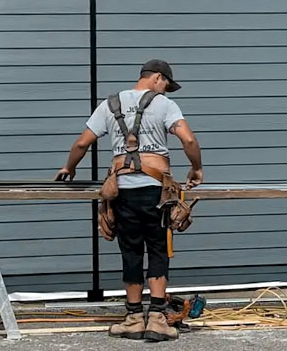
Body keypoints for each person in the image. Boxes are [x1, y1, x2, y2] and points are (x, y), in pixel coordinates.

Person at [56, 60, 204, 342]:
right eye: (166, 86)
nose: (166, 92)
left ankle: (134, 318)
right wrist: (196, 169)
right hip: (156, 191)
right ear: (157, 78)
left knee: (131, 251)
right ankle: (158, 320)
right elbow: (188, 139)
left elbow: (81, 143)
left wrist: (69, 168)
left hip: (122, 191)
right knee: (158, 249)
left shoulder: (110, 105)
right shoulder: (163, 105)